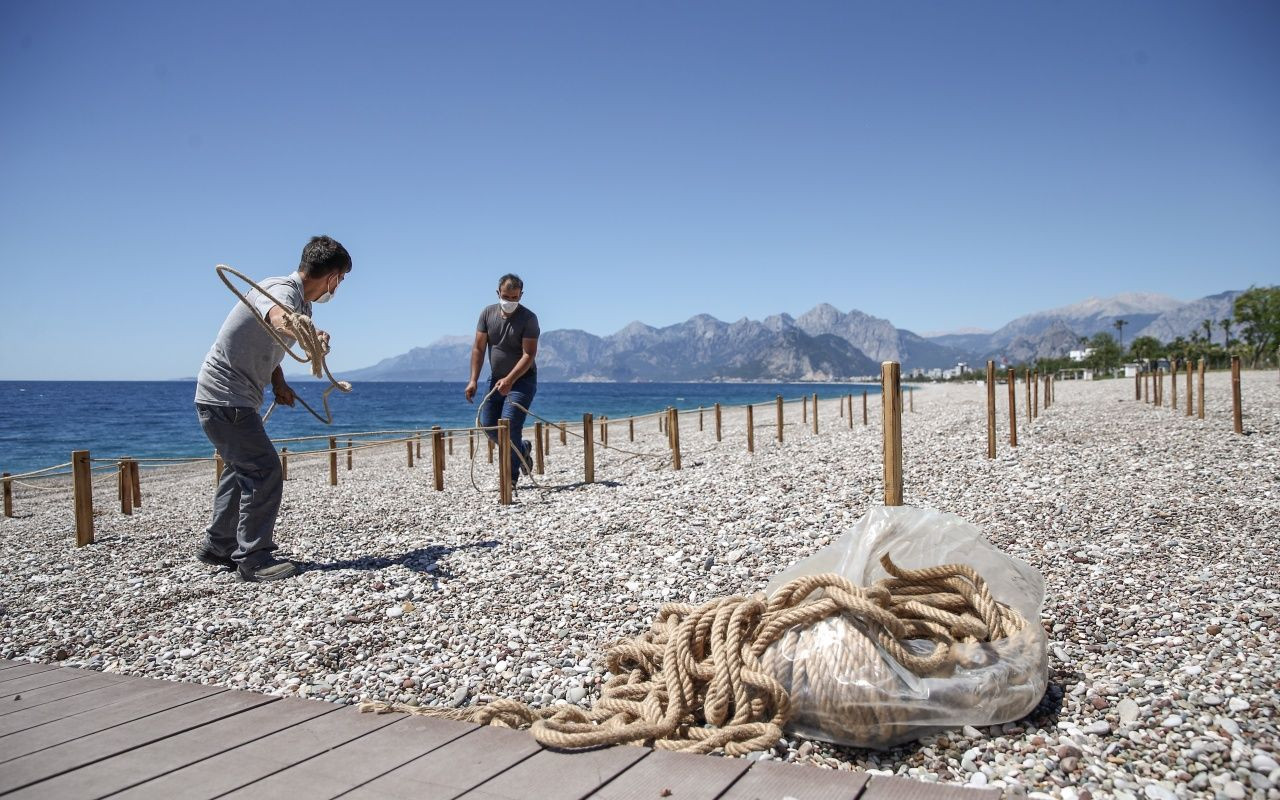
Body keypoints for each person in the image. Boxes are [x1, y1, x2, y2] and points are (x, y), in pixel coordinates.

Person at [194, 235, 352, 581]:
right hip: (226, 398)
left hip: (227, 398)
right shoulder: (280, 290)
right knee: (264, 472)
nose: (338, 288)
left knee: (241, 469)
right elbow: (276, 317)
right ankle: (253, 558)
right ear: (333, 277)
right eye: (341, 280)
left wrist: (278, 383)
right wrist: (297, 326)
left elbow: (272, 341)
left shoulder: (303, 305)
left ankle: (218, 545)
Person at [465, 274, 540, 490]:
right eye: (506, 296)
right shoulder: (487, 314)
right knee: (489, 425)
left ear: (521, 295)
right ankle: (522, 450)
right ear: (498, 293)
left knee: (509, 424)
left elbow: (529, 355)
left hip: (523, 380)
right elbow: (478, 348)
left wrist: (510, 379)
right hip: (496, 380)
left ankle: (510, 479)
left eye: (514, 297)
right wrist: (473, 380)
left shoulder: (529, 319)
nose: (510, 301)